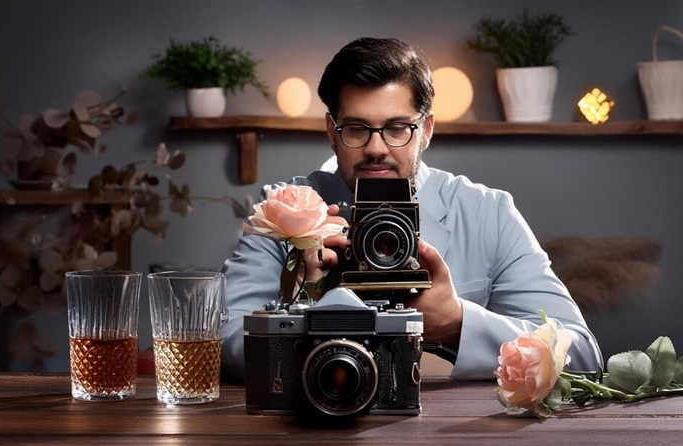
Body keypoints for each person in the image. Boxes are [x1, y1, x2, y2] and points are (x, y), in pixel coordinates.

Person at [220, 37, 603, 380]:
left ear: (427, 130)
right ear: (331, 133)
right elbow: (220, 339)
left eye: (397, 128)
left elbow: (582, 353)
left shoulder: (487, 212)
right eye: (356, 129)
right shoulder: (285, 210)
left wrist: (456, 322)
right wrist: (306, 306)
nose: (375, 148)